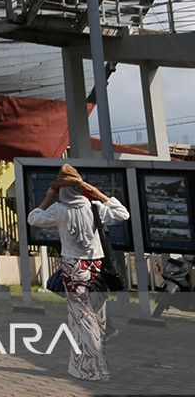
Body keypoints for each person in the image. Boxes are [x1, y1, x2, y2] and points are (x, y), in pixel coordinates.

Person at [28, 163, 129, 382]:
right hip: (98, 269)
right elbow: (123, 213)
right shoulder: (94, 208)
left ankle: (93, 369)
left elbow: (33, 218)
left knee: (81, 320)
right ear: (81, 188)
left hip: (74, 269)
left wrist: (47, 197)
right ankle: (89, 366)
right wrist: (96, 192)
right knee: (97, 319)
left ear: (60, 190)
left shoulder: (59, 209)